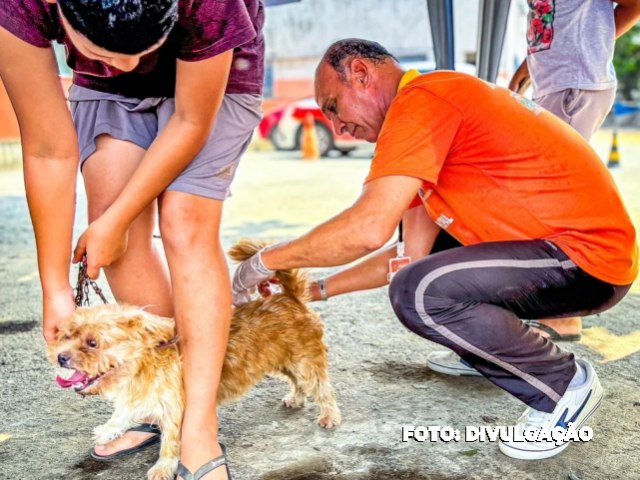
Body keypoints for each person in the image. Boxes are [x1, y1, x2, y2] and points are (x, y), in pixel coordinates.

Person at [232, 39, 638, 460]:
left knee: (422, 293)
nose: (337, 128)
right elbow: (404, 255)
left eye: (333, 106)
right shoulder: (428, 114)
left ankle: (563, 385)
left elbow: (366, 229)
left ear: (360, 73)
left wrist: (262, 263)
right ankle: (489, 350)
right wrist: (312, 291)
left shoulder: (423, 99)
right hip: (565, 255)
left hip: (588, 261)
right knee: (422, 272)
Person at [0, 0, 264, 478]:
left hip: (211, 79)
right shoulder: (17, 6)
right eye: (106, 52)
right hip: (104, 95)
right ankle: (161, 401)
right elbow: (46, 148)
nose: (130, 66)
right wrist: (56, 289)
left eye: (146, 49)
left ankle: (196, 424)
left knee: (186, 223)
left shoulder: (210, 6)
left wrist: (118, 218)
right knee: (114, 239)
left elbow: (190, 120)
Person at [507, 0, 640, 341]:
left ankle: (562, 313)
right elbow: (553, 25)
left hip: (575, 83)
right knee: (541, 192)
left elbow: (632, 5)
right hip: (560, 82)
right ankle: (556, 307)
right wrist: (529, 67)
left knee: (549, 196)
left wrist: (591, 47)